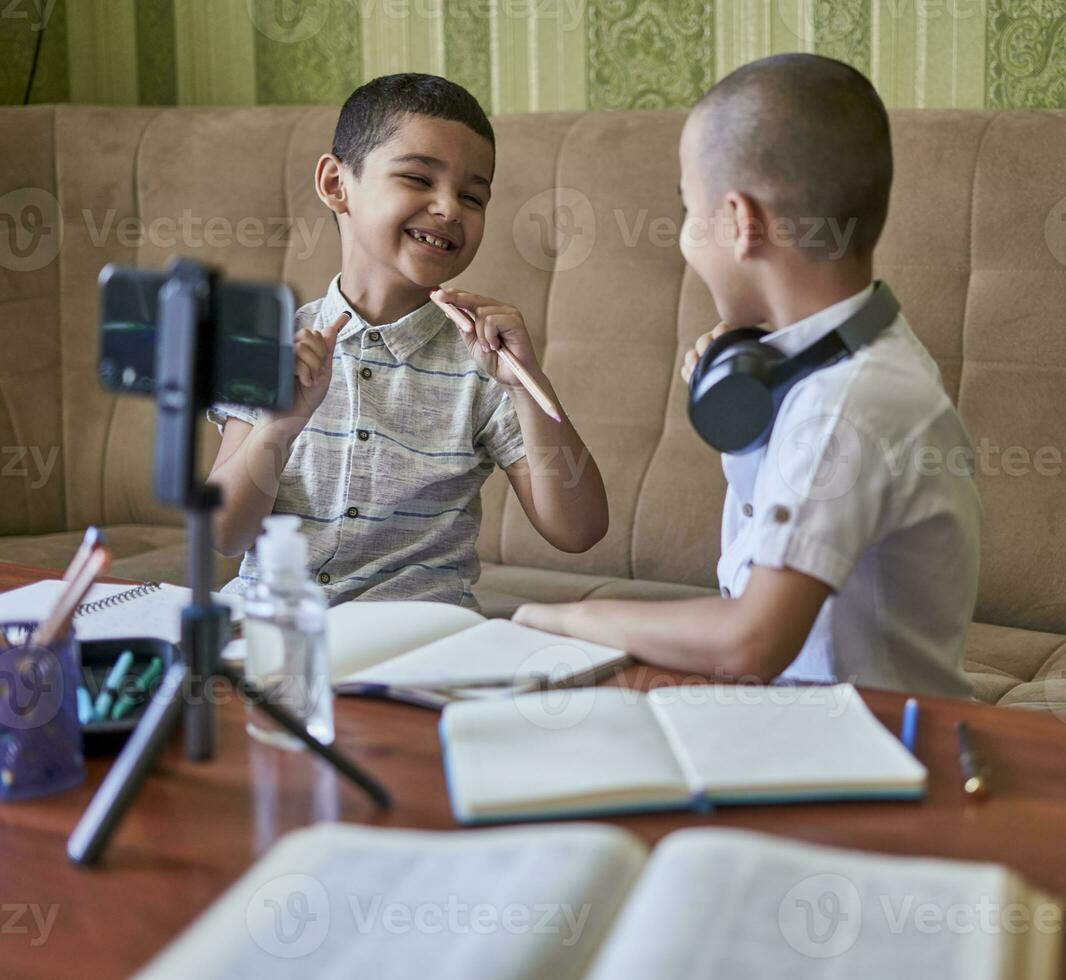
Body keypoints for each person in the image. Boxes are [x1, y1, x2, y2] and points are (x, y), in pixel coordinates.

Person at [514, 54, 981, 698]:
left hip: (863, 750)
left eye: (687, 209)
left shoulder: (848, 400)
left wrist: (566, 619)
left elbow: (750, 642)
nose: (683, 237)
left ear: (739, 222)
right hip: (802, 720)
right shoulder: (836, 364)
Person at [208, 74, 608, 610]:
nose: (449, 208)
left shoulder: (484, 364)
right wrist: (279, 424)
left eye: (472, 196)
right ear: (336, 184)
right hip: (275, 627)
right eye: (419, 178)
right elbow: (222, 534)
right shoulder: (270, 347)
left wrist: (527, 386)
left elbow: (578, 530)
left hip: (418, 640)